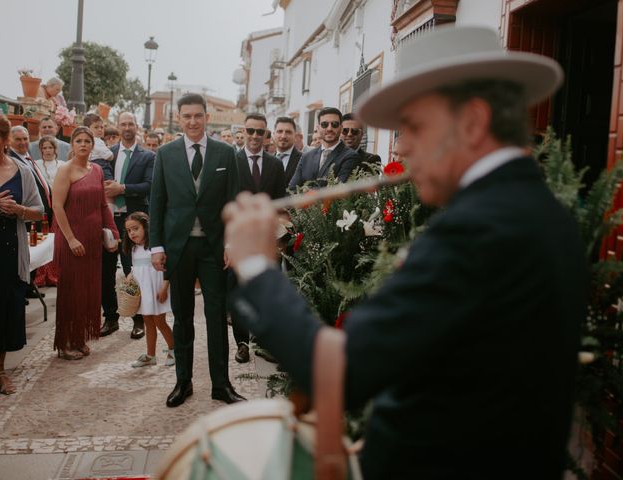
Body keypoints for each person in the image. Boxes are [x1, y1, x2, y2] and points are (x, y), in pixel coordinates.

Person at [223, 26, 587, 479]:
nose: (403, 147)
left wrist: (257, 266)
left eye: (413, 126)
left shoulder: (478, 230)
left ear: (472, 122)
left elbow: (338, 371)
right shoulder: (542, 212)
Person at [149, 93, 245, 407]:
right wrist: (157, 246)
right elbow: (158, 203)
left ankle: (221, 385)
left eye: (197, 116)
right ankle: (183, 382)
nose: (192, 121)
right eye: (186, 116)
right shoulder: (165, 154)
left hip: (214, 247)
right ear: (179, 119)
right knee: (183, 317)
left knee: (217, 317)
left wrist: (231, 243)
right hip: (179, 247)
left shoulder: (225, 152)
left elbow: (233, 202)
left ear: (206, 117)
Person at [0, 112, 44, 394]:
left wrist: (19, 210)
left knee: (3, 308)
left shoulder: (22, 171)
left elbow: (38, 211)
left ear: (6, 140)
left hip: (8, 251)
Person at [51, 127, 119, 360]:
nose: (82, 144)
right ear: (71, 144)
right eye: (78, 141)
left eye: (87, 141)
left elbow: (102, 205)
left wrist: (113, 231)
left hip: (92, 240)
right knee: (71, 291)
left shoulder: (97, 169)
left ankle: (79, 337)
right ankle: (65, 342)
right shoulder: (64, 170)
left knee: (88, 291)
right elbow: (57, 206)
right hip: (72, 239)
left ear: (93, 145)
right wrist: (70, 239)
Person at [231, 113, 286, 363]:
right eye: (250, 131)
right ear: (243, 132)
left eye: (260, 132)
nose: (255, 136)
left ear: (267, 135)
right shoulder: (232, 160)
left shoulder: (275, 165)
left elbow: (280, 203)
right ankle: (241, 343)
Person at [98, 112, 155, 340]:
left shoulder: (148, 156)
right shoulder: (108, 154)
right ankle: (110, 317)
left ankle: (137, 319)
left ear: (136, 126)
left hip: (135, 219)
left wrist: (122, 188)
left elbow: (149, 185)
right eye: (123, 124)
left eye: (131, 123)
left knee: (133, 270)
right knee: (106, 269)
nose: (127, 127)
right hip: (110, 219)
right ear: (118, 127)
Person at [122, 212, 174, 368]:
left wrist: (164, 287)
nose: (132, 233)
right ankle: (151, 355)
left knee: (160, 321)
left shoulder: (156, 248)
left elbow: (166, 269)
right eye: (129, 231)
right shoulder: (133, 249)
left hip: (157, 289)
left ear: (145, 226)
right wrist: (129, 280)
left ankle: (174, 350)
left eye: (135, 228)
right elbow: (136, 269)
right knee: (147, 321)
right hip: (144, 292)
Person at [288, 107, 359, 190]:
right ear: (318, 128)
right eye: (324, 124)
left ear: (341, 128)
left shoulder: (351, 156)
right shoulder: (306, 157)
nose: (329, 128)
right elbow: (292, 189)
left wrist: (305, 193)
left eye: (334, 124)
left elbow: (338, 191)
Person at [34, 137, 63, 287]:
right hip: (43, 207)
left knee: (56, 241)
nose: (47, 151)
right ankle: (40, 275)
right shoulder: (36, 165)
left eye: (50, 148)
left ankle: (53, 274)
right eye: (44, 148)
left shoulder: (63, 165)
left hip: (59, 206)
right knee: (42, 239)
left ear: (55, 149)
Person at [274, 116, 302, 186]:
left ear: (295, 136)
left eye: (288, 132)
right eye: (280, 131)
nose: (283, 136)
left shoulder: (304, 159)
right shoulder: (266, 160)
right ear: (273, 134)